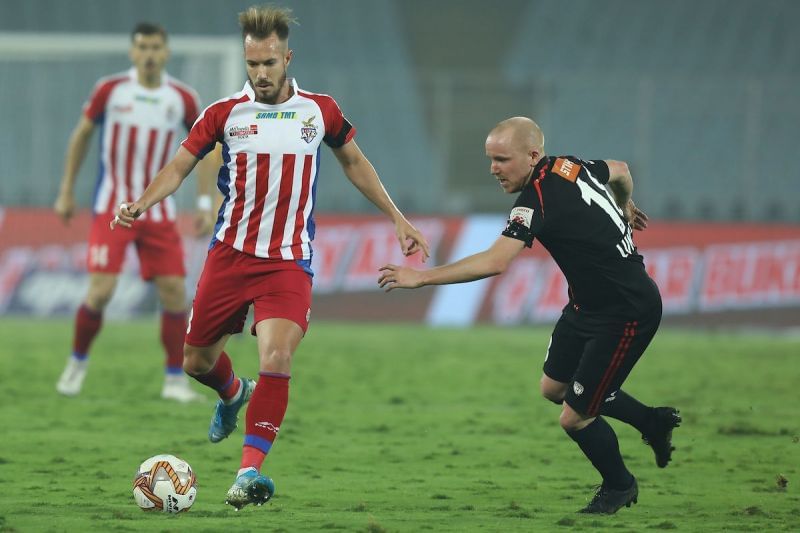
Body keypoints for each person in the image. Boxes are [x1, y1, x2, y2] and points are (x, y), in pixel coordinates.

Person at [112, 5, 430, 510]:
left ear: (288, 57)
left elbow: (355, 161)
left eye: (269, 63)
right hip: (230, 255)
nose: (260, 73)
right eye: (253, 63)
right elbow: (177, 166)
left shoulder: (318, 111)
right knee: (195, 361)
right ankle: (234, 392)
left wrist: (397, 217)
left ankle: (247, 474)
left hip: (287, 262)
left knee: (277, 357)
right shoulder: (223, 114)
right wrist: (142, 202)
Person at [378, 117, 681, 514]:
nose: (493, 169)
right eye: (490, 159)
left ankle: (619, 485)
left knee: (574, 418)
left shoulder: (537, 199)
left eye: (502, 159)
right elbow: (621, 170)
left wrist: (420, 279)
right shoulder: (569, 164)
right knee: (553, 389)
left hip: (625, 313)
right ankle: (651, 422)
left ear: (533, 155)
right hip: (585, 306)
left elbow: (495, 261)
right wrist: (625, 205)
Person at [54, 22, 217, 403]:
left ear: (165, 52)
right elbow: (81, 135)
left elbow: (209, 148)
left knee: (175, 294)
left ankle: (174, 380)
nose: (148, 54)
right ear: (132, 52)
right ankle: (76, 364)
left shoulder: (181, 98)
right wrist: (65, 190)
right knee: (101, 292)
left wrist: (206, 203)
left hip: (158, 212)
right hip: (112, 207)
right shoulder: (111, 90)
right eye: (142, 46)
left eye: (155, 47)